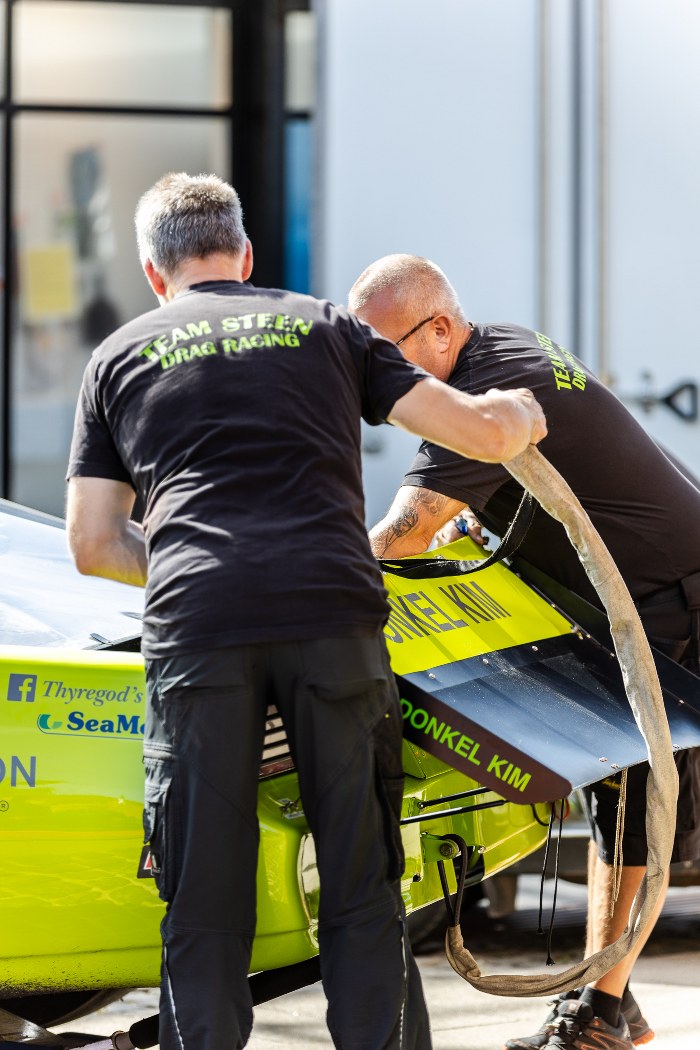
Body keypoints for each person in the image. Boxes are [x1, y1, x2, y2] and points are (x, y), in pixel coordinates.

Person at [65, 175, 547, 1050]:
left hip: (200, 631)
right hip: (333, 620)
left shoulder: (118, 358)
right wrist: (517, 408)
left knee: (203, 898)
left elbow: (94, 543)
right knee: (360, 884)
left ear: (152, 272)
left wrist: (197, 567)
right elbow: (480, 434)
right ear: (247, 255)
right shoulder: (327, 326)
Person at [347, 253, 700, 1050]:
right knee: (619, 802)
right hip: (641, 594)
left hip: (669, 597)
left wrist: (289, 583)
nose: (372, 384)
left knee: (630, 811)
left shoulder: (483, 387)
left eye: (381, 357)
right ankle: (612, 1000)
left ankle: (598, 1015)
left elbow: (405, 535)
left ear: (440, 330)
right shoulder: (494, 348)